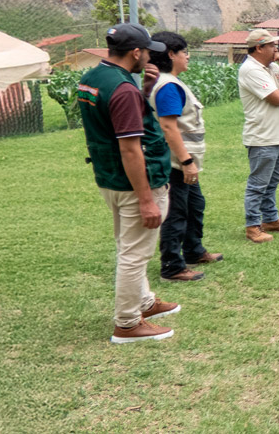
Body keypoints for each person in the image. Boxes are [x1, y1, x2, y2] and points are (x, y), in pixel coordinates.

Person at [77, 23, 181, 343]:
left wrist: (144, 92)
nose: (150, 57)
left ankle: (144, 302)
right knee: (134, 255)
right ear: (135, 53)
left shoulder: (93, 78)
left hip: (109, 178)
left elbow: (113, 123)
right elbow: (130, 148)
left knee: (128, 246)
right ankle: (127, 323)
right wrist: (146, 199)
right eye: (147, 51)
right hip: (133, 184)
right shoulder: (123, 90)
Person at [148, 31, 222, 282]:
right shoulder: (168, 86)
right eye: (184, 52)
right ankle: (172, 266)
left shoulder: (170, 81)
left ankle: (194, 250)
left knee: (194, 205)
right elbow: (169, 127)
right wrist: (186, 162)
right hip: (176, 163)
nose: (188, 56)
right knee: (177, 212)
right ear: (171, 54)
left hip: (184, 162)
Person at [238, 29, 279, 243]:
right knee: (258, 184)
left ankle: (271, 219)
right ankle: (252, 226)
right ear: (259, 47)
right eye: (272, 45)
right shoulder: (250, 69)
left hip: (277, 135)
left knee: (272, 181)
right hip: (262, 137)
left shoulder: (272, 67)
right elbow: (278, 99)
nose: (276, 48)